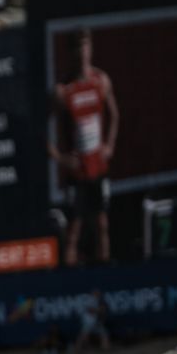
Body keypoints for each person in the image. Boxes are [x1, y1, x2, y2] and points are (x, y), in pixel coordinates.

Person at [50, 28, 119, 267]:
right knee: (75, 229)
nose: (83, 52)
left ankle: (106, 276)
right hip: (77, 172)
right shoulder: (63, 90)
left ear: (91, 48)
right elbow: (43, 127)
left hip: (98, 167)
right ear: (72, 51)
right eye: (78, 47)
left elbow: (114, 114)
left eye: (86, 45)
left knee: (102, 224)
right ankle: (71, 286)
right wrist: (60, 158)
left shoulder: (100, 80)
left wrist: (109, 145)